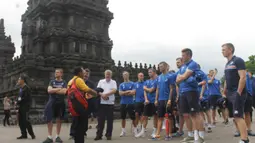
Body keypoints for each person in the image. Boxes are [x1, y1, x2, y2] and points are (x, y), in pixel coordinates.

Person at [222, 43, 249, 143]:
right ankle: (243, 137)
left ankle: (244, 139)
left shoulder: (238, 60)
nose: (222, 51)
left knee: (238, 116)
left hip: (237, 93)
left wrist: (238, 92)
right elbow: (226, 79)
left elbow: (243, 77)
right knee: (234, 116)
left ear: (230, 49)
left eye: (224, 49)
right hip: (229, 93)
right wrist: (224, 92)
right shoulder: (227, 64)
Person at [176, 48, 205, 143]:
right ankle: (191, 135)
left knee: (195, 114)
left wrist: (183, 77)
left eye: (183, 55)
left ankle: (201, 137)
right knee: (186, 114)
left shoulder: (193, 64)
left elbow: (183, 77)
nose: (182, 57)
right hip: (182, 92)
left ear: (189, 55)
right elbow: (177, 80)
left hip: (191, 92)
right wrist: (182, 77)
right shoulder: (183, 67)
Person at [67, 67, 99, 143]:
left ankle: (76, 140)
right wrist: (95, 93)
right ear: (79, 73)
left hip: (73, 104)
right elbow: (87, 89)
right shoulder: (78, 80)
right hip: (80, 104)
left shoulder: (71, 81)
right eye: (83, 72)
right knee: (83, 125)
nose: (84, 73)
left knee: (77, 123)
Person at [152, 62, 176, 140]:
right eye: (159, 67)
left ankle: (169, 133)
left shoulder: (170, 76)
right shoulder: (158, 77)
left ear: (166, 67)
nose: (160, 68)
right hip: (160, 100)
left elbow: (172, 88)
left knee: (169, 117)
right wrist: (156, 99)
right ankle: (158, 133)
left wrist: (169, 99)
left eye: (161, 66)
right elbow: (157, 89)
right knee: (160, 117)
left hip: (167, 99)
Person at [43, 69, 67, 143]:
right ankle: (49, 136)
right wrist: (59, 88)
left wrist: (54, 90)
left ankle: (57, 136)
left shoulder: (64, 82)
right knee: (49, 119)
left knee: (59, 119)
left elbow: (64, 92)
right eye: (55, 72)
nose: (56, 73)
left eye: (57, 72)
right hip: (52, 102)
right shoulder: (52, 81)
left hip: (60, 102)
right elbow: (49, 91)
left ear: (61, 74)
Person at [95, 70, 117, 140]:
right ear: (104, 75)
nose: (107, 75)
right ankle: (99, 135)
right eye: (106, 74)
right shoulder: (101, 81)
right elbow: (97, 90)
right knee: (100, 120)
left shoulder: (113, 82)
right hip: (102, 103)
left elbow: (114, 90)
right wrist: (102, 95)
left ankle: (108, 135)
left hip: (110, 103)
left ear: (111, 75)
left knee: (110, 120)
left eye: (109, 74)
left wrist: (106, 94)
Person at [136, 68, 158, 138]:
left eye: (150, 72)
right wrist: (146, 99)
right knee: (145, 116)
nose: (149, 73)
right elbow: (144, 91)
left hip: (154, 101)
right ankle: (142, 131)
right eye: (148, 72)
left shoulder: (156, 80)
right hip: (147, 101)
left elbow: (152, 90)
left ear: (154, 72)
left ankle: (154, 131)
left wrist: (147, 89)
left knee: (155, 116)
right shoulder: (147, 81)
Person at [16, 75, 36, 140]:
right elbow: (18, 97)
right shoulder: (21, 88)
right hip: (20, 106)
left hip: (25, 106)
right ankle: (23, 134)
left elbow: (27, 98)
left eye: (19, 79)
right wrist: (17, 101)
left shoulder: (26, 88)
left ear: (23, 80)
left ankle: (32, 134)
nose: (18, 81)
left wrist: (19, 101)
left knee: (26, 120)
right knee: (20, 121)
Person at [119, 71, 137, 137]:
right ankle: (123, 131)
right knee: (123, 117)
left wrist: (124, 92)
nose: (125, 76)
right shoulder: (121, 84)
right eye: (124, 75)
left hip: (131, 103)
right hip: (123, 103)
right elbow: (120, 93)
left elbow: (133, 92)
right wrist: (128, 91)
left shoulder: (132, 83)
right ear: (123, 76)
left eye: (126, 74)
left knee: (133, 118)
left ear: (128, 75)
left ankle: (135, 131)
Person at [173, 57, 185, 137]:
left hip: (188, 94)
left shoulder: (186, 70)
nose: (177, 64)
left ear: (183, 62)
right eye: (176, 62)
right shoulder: (177, 73)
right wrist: (177, 96)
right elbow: (177, 85)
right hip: (181, 95)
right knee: (180, 114)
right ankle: (180, 131)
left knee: (191, 114)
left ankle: (196, 132)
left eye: (178, 62)